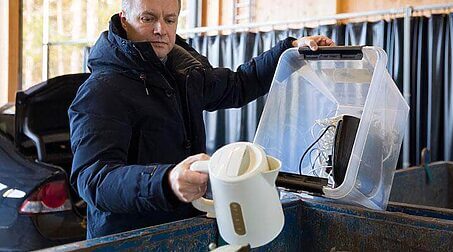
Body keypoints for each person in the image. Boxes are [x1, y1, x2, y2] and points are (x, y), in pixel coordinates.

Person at [69, 0, 335, 239]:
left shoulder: (183, 73)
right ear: (124, 19)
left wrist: (288, 51)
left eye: (170, 19)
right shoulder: (101, 91)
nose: (161, 29)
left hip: (186, 230)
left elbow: (239, 85)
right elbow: (93, 179)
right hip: (130, 240)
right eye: (148, 18)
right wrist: (166, 180)